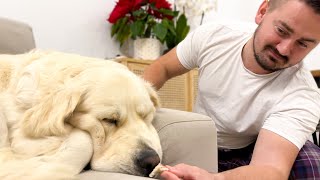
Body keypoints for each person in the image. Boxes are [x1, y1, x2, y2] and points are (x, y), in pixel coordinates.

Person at [142, 0, 320, 179]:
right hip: (199, 141)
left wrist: (214, 178)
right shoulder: (215, 37)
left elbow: (270, 168)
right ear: (262, 11)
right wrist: (133, 114)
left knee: (310, 160)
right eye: (281, 31)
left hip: (251, 153)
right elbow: (162, 68)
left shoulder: (303, 94)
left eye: (303, 44)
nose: (284, 49)